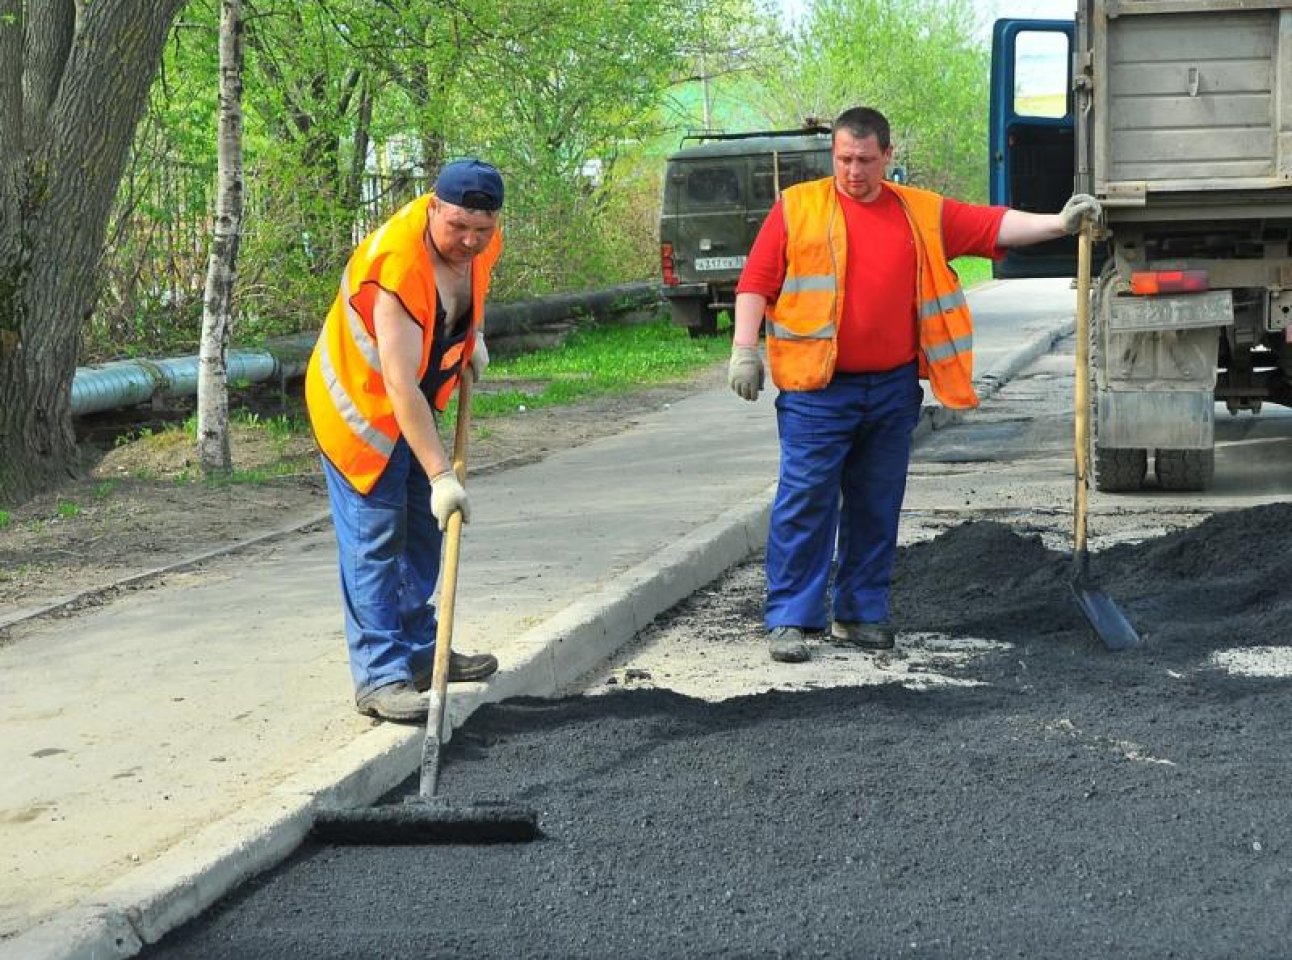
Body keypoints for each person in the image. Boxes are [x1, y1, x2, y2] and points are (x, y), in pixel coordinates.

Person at [727, 106, 1101, 664]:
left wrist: (1059, 222)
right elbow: (755, 281)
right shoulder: (798, 207)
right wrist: (743, 349)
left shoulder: (919, 213)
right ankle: (791, 618)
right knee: (806, 502)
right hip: (817, 391)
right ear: (833, 154)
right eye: (843, 159)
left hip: (892, 387)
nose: (853, 171)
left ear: (888, 157)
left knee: (876, 505)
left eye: (865, 160)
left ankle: (859, 613)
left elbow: (991, 224)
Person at [305, 158, 507, 721]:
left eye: (481, 230)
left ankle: (421, 653)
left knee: (423, 528)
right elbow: (398, 385)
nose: (469, 240)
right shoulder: (395, 264)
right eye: (457, 227)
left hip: (410, 401)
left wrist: (471, 339)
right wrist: (443, 475)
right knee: (376, 537)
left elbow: (461, 298)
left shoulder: (483, 243)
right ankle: (379, 677)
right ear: (433, 206)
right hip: (360, 410)